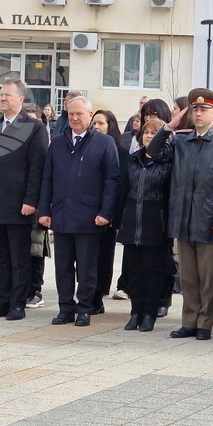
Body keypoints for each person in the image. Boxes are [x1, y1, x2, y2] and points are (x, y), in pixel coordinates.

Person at [147, 88, 213, 340]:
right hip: (182, 218)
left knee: (208, 278)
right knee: (187, 277)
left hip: (209, 220)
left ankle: (204, 323)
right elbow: (153, 152)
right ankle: (188, 321)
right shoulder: (180, 140)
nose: (198, 113)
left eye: (204, 110)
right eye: (195, 109)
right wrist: (169, 126)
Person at [39, 96, 120, 327]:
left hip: (90, 217)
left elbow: (112, 180)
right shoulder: (57, 142)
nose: (75, 118)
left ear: (90, 115)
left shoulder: (104, 143)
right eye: (71, 113)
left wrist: (106, 212)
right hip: (62, 215)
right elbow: (48, 178)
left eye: (80, 114)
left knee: (86, 267)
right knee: (63, 266)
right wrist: (44, 210)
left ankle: (85, 307)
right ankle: (65, 308)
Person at [0, 78, 48, 321]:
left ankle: (18, 303)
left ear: (21, 100)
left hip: (19, 205)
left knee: (20, 257)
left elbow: (37, 168)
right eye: (1, 95)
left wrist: (31, 200)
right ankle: (1, 300)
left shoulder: (34, 128)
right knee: (0, 257)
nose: (2, 99)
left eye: (7, 95)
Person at [117, 117, 173, 332]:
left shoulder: (168, 162)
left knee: (152, 271)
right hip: (132, 220)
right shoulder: (132, 160)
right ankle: (135, 312)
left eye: (154, 132)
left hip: (155, 222)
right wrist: (118, 220)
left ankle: (150, 313)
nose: (149, 135)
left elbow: (170, 195)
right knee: (134, 271)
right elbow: (122, 191)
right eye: (146, 132)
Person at [90, 109, 128, 315]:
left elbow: (120, 186)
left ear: (110, 126)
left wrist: (114, 216)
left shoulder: (120, 152)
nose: (96, 127)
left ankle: (98, 294)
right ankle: (88, 292)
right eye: (94, 123)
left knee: (103, 255)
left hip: (108, 214)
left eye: (101, 124)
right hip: (87, 211)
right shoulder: (86, 147)